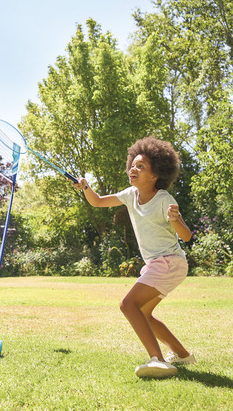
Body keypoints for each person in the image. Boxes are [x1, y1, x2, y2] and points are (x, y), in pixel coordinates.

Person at [75, 137, 195, 378]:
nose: (133, 168)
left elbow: (186, 235)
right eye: (133, 164)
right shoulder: (131, 195)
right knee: (144, 314)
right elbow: (98, 201)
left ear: (155, 175)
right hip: (160, 264)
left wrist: (175, 219)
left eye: (141, 166)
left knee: (128, 305)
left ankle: (158, 360)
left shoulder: (164, 200)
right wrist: (86, 187)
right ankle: (183, 355)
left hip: (169, 262)